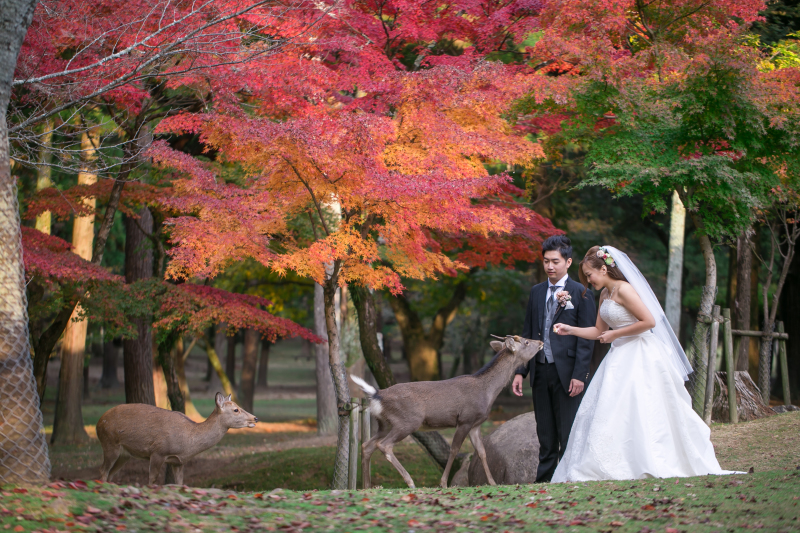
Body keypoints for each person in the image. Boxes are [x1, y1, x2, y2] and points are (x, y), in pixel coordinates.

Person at [550, 245, 737, 482]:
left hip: (640, 353)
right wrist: (571, 330)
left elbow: (648, 321)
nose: (589, 280)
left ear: (604, 268)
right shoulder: (606, 295)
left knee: (643, 406)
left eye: (590, 274)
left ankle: (649, 457)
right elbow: (599, 330)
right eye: (586, 276)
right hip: (618, 356)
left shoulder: (625, 290)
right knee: (612, 409)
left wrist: (616, 335)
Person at [512, 235, 597, 483]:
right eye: (546, 261)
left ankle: (569, 479)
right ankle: (544, 481)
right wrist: (520, 370)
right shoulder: (537, 292)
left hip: (568, 373)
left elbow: (586, 339)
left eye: (555, 261)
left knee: (568, 431)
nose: (550, 266)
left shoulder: (581, 293)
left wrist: (580, 375)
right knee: (545, 432)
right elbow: (527, 334)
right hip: (540, 371)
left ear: (568, 262)